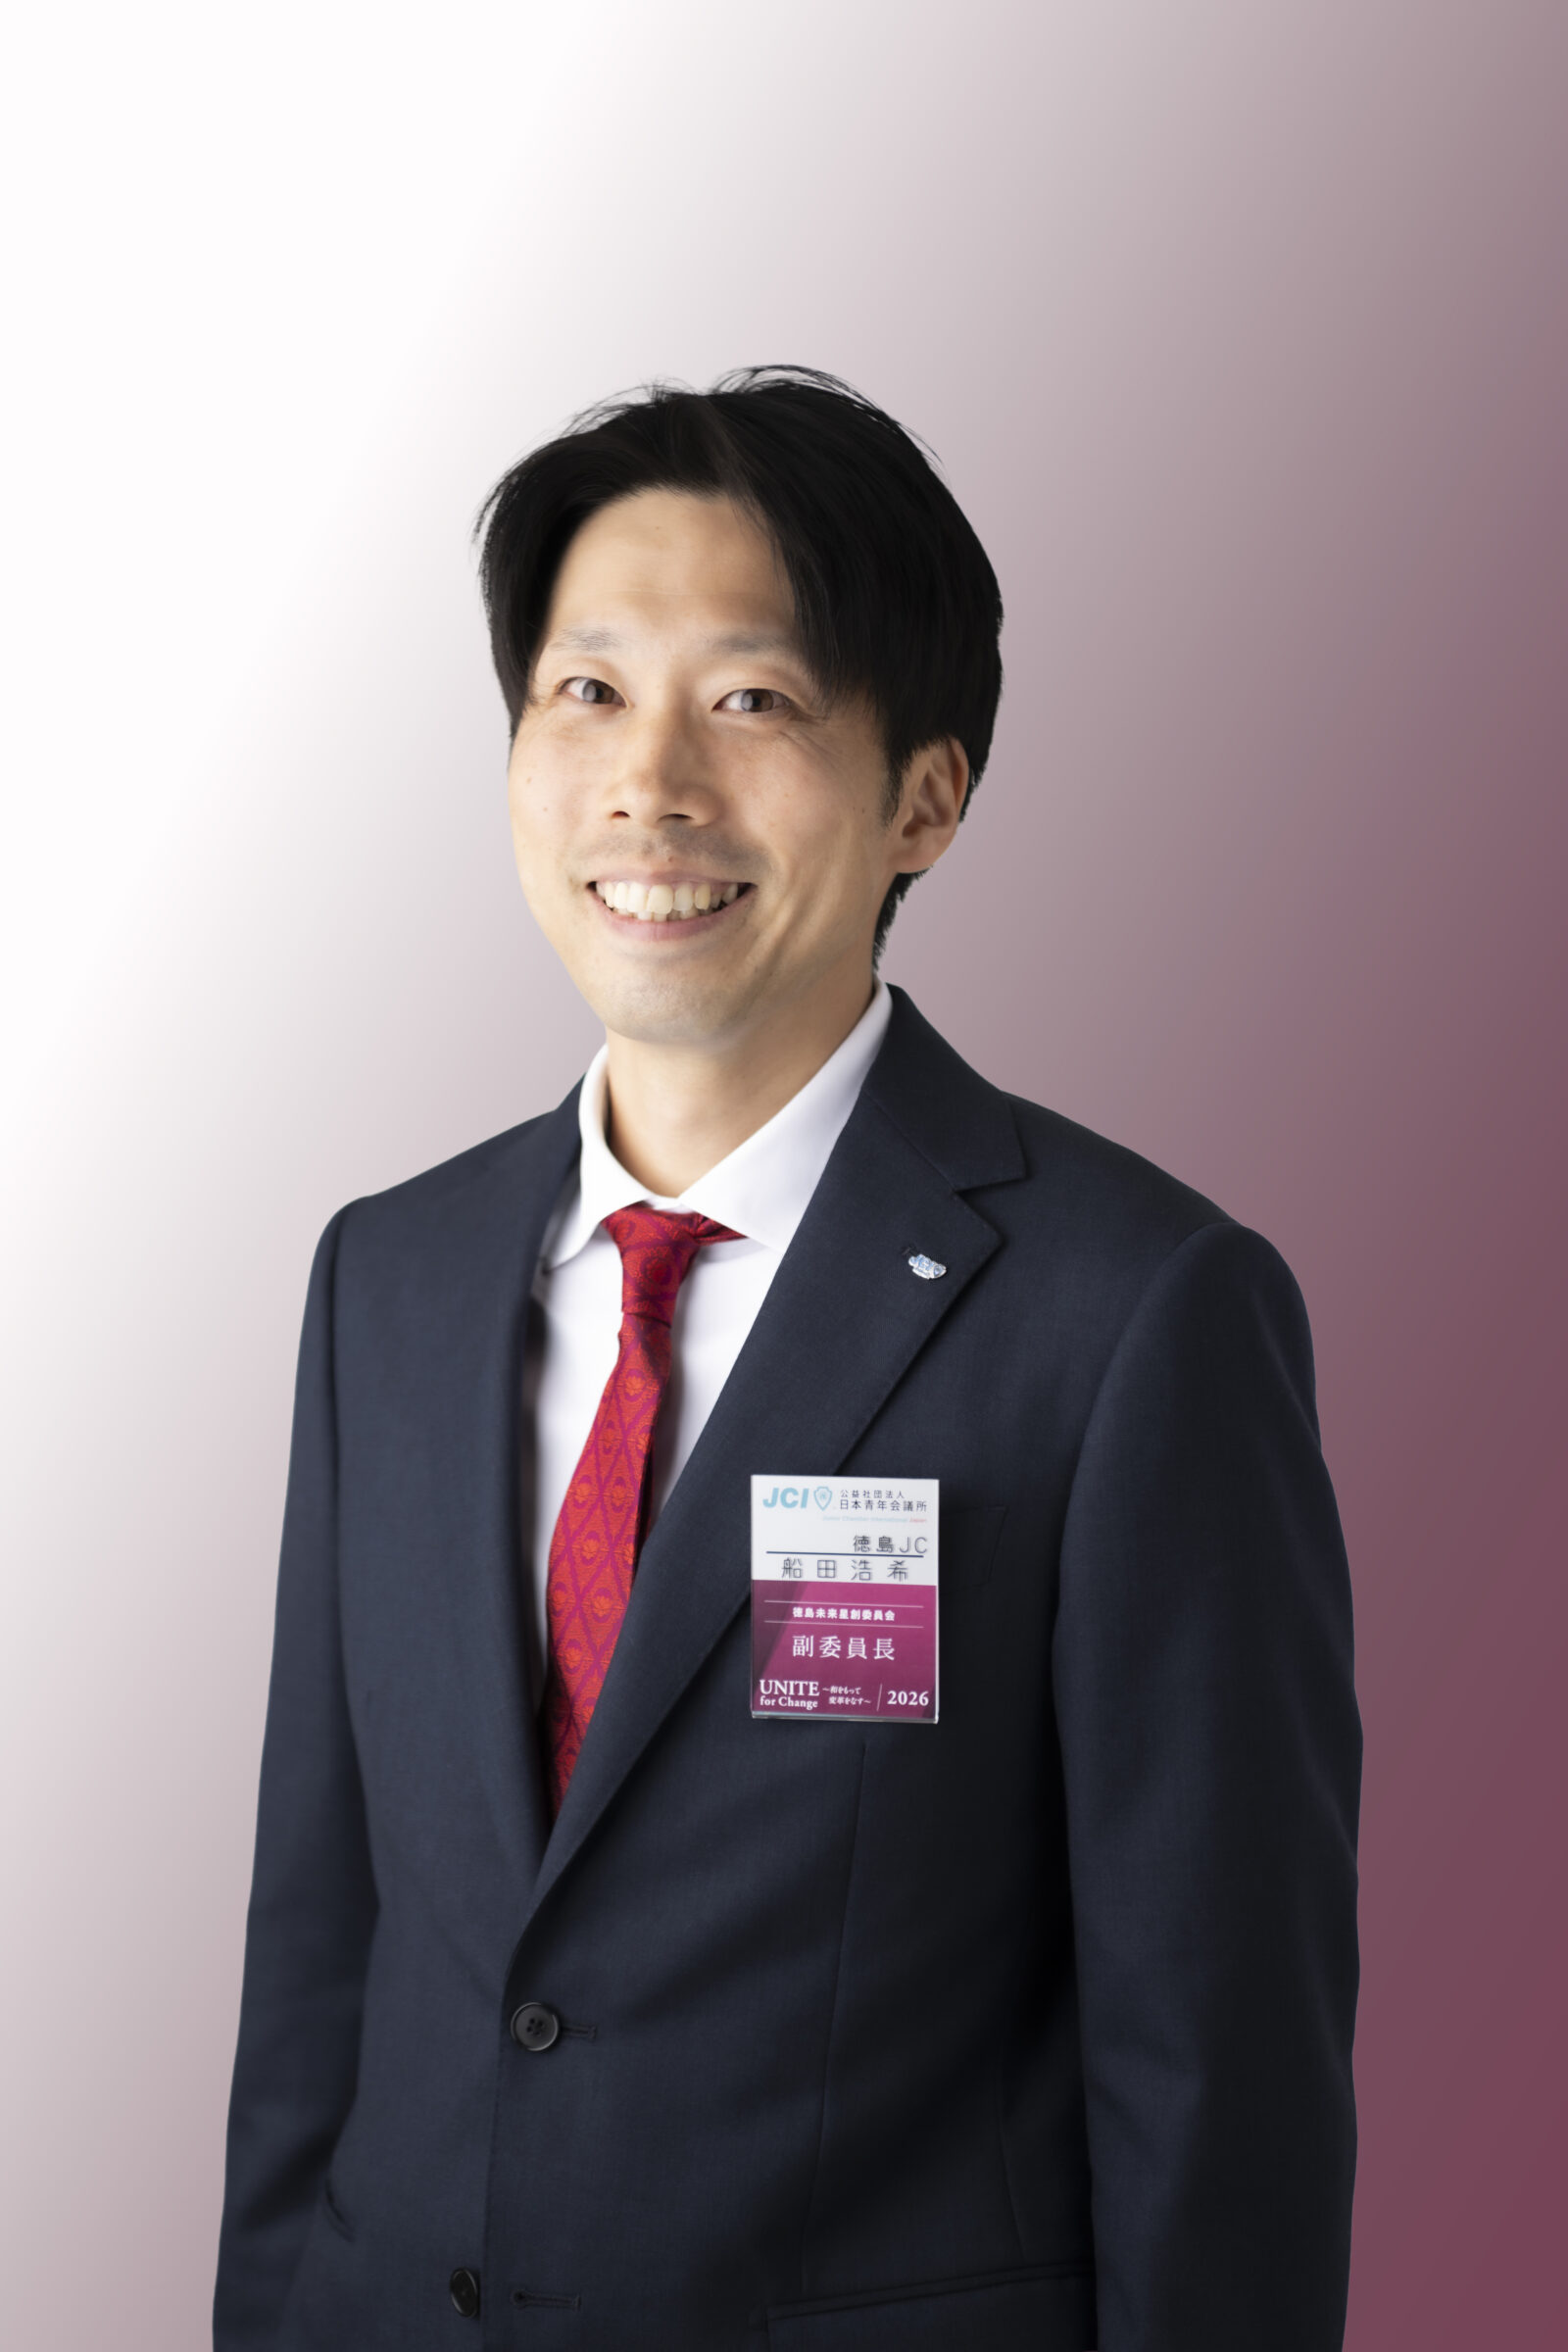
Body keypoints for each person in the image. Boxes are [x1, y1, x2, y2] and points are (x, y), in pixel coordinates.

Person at [214, 366, 1361, 2351]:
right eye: (586, 692)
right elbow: (317, 1967)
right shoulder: (383, 1281)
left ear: (925, 795)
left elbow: (1219, 2070)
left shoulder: (1136, 1314)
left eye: (749, 700)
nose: (649, 783)